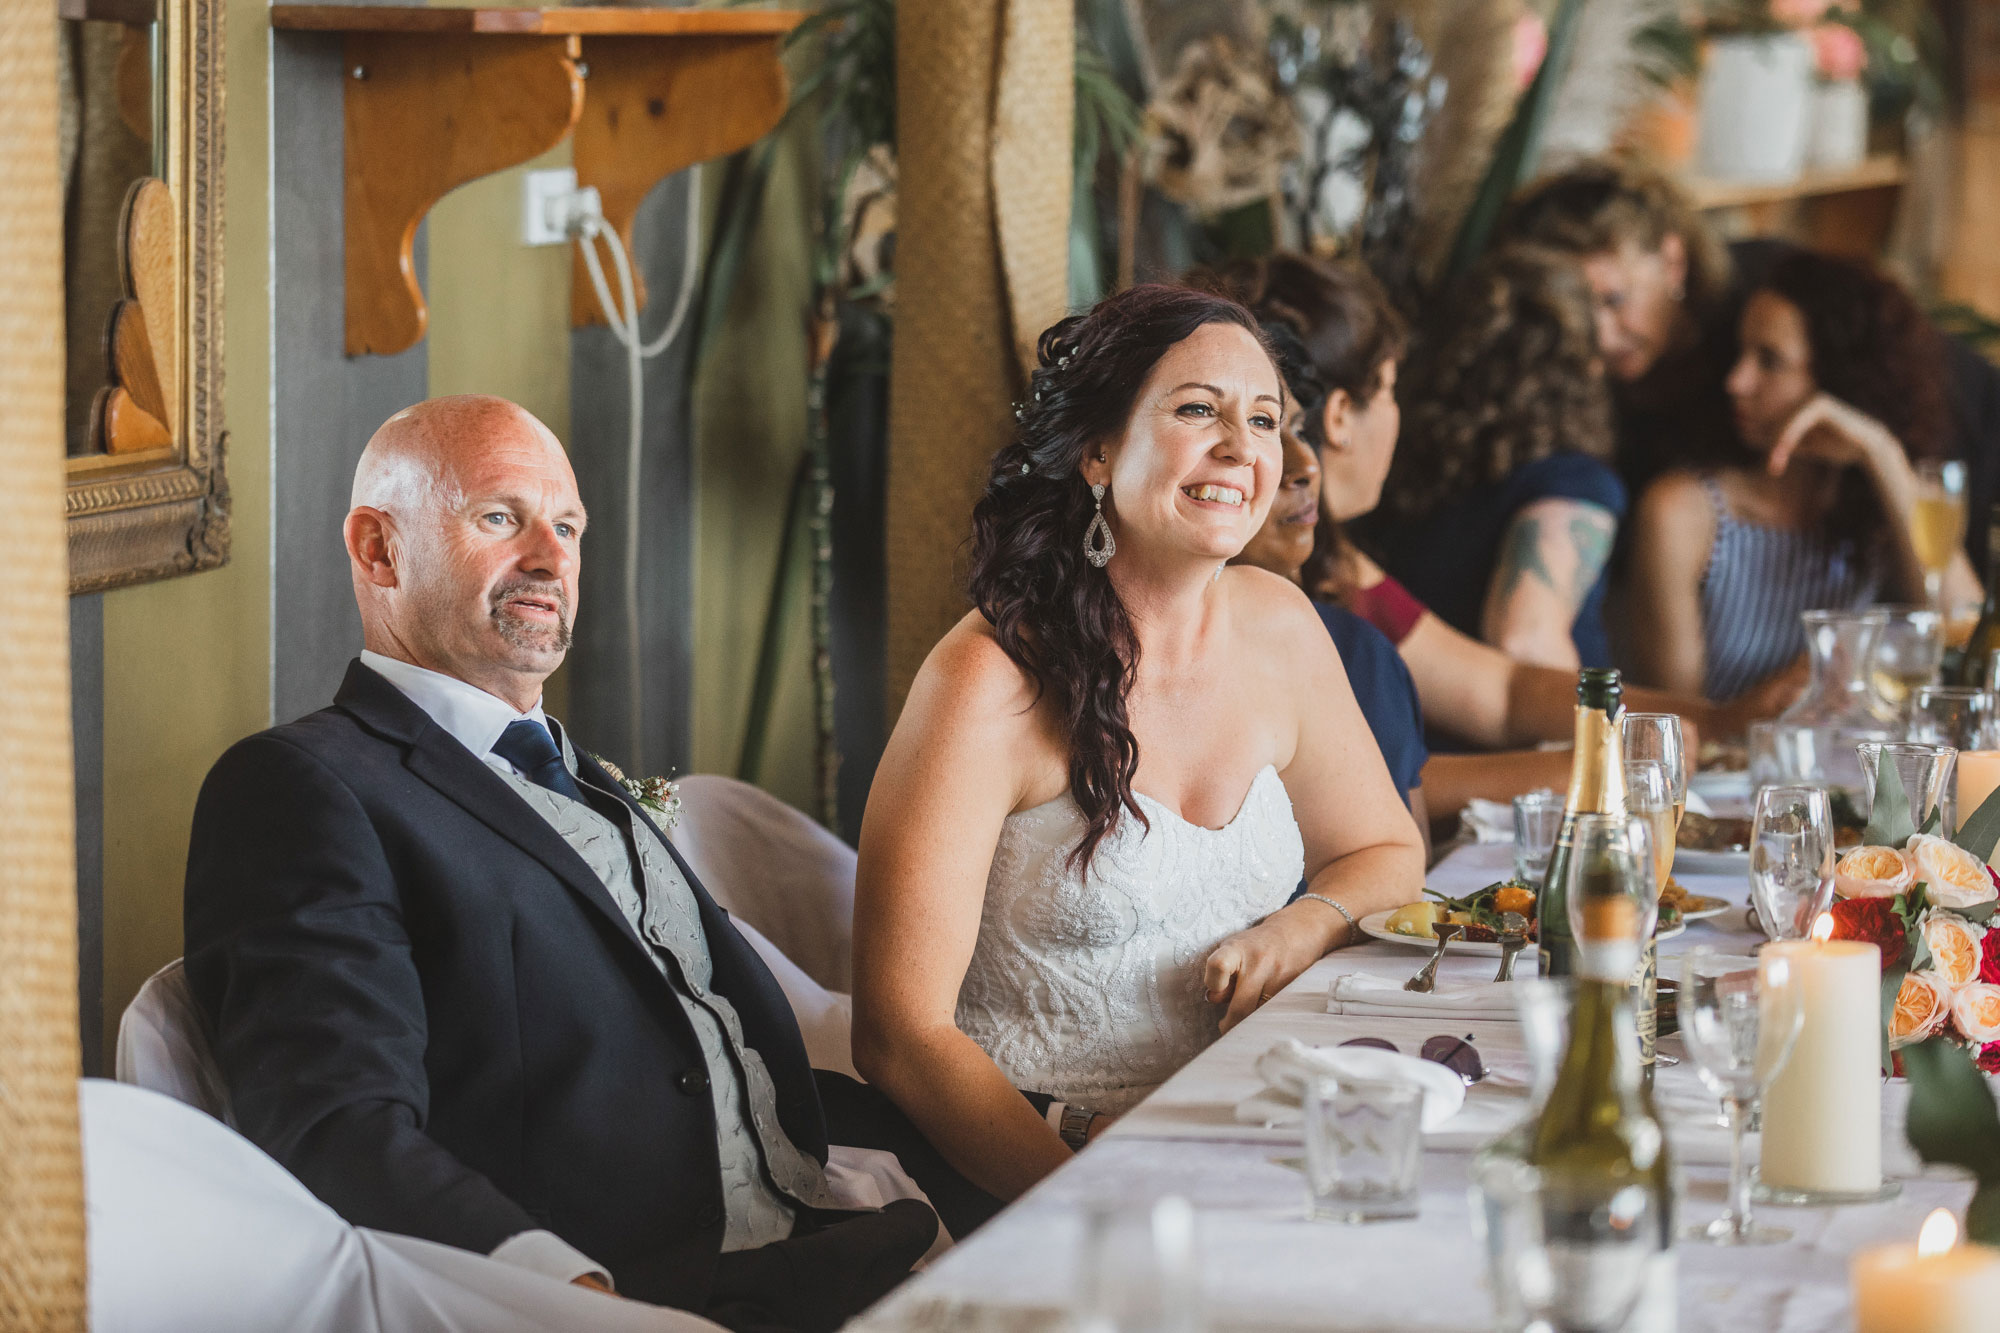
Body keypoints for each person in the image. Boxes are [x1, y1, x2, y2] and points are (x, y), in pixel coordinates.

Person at [182, 396, 937, 1331]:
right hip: (647, 1293)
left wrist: (1040, 1130)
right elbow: (333, 1124)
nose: (551, 557)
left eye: (568, 525)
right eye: (500, 517)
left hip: (835, 1228)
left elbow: (695, 1046)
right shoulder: (304, 787)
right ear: (379, 550)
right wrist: (567, 1296)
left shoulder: (580, 772)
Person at [850, 286, 1426, 1210]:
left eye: (1266, 418)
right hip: (1028, 1170)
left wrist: (1300, 924)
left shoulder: (1280, 627)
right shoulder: (986, 681)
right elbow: (898, 1036)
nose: (1243, 447)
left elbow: (1389, 854)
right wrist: (1086, 1185)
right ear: (1098, 449)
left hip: (1246, 1138)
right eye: (1199, 409)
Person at [1200, 253, 1782, 797]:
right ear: (1342, 416)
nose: (1298, 461)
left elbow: (1499, 692)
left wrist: (1711, 720)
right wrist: (1587, 764)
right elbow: (1358, 787)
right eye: (1393, 389)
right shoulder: (1235, 574)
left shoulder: (1335, 559)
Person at [1503, 157, 2000, 576]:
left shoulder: (1770, 296)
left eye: (1614, 299)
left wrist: (1884, 455)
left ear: (1672, 262)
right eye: (1574, 309)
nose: (1601, 337)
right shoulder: (1588, 391)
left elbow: (1901, 394)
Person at [1625, 251, 1980, 698]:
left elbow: (1969, 635)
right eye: (1739, 353)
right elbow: (1674, 720)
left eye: (1769, 361)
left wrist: (1879, 451)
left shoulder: (1883, 499)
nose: (1736, 381)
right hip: (1732, 765)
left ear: (1839, 378)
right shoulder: (1680, 511)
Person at [1365, 246, 1622, 671]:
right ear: (1586, 366)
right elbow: (1525, 640)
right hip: (1513, 733)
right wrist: (1604, 729)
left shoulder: (1403, 471)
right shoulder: (1574, 483)